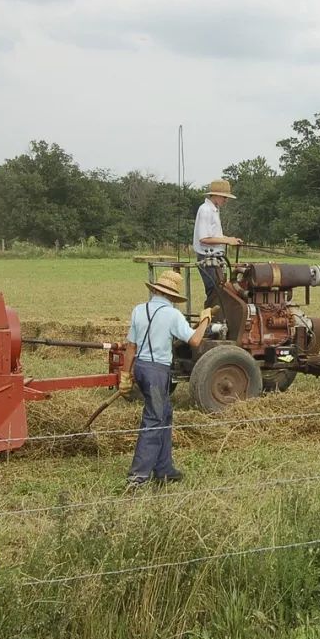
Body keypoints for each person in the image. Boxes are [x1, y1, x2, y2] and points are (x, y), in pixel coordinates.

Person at [119, 270, 212, 488]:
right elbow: (195, 340)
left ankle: (164, 468)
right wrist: (205, 320)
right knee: (153, 419)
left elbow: (130, 346)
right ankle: (138, 477)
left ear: (154, 290)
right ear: (172, 296)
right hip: (157, 372)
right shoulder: (173, 315)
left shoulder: (139, 310)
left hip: (141, 368)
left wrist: (126, 374)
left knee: (165, 415)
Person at [193, 179, 243, 298]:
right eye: (223, 197)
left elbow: (214, 235)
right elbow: (204, 238)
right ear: (215, 195)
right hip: (207, 257)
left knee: (221, 290)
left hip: (216, 257)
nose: (226, 200)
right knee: (214, 293)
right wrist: (227, 241)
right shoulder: (205, 210)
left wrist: (231, 239)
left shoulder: (214, 210)